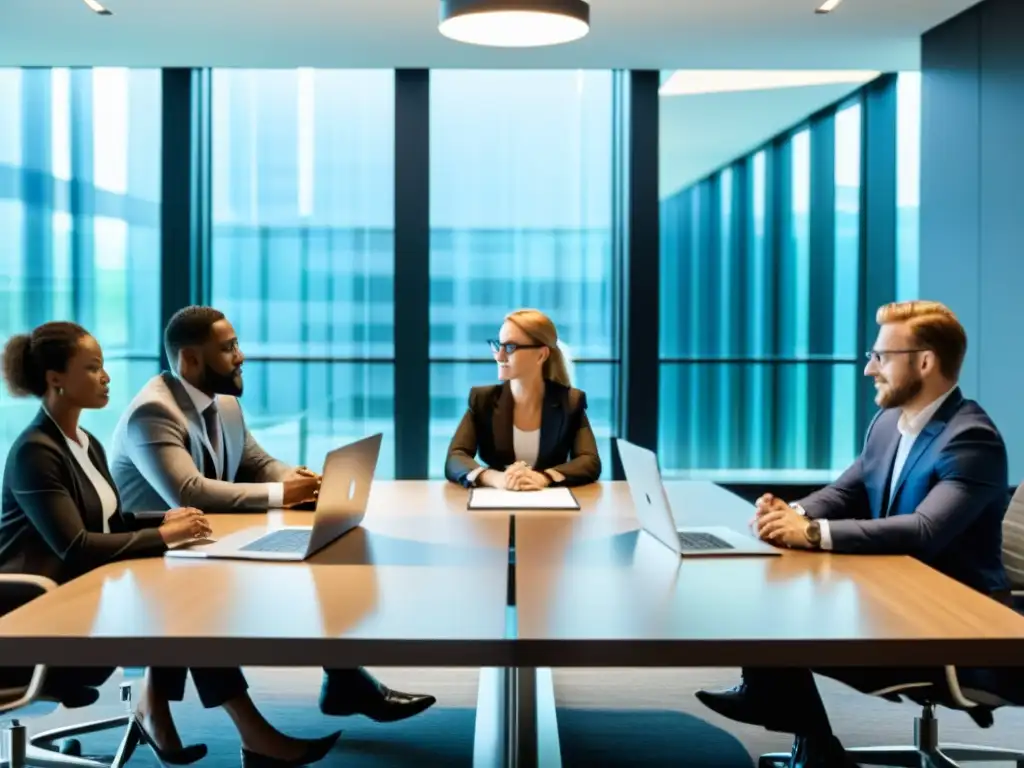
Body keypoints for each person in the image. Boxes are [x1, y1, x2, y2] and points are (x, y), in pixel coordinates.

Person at [0, 322, 339, 768]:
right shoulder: (36, 452)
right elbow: (77, 546)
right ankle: (249, 735)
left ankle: (199, 722)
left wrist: (167, 519)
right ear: (55, 379)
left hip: (81, 597)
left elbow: (111, 520)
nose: (106, 377)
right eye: (93, 368)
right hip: (34, 620)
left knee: (186, 601)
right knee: (185, 610)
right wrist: (162, 536)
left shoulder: (84, 442)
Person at [695, 301, 1011, 768]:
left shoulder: (969, 439)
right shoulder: (889, 423)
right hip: (895, 595)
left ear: (924, 362)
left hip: (952, 622)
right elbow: (847, 489)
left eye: (881, 356)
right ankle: (808, 738)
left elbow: (924, 531)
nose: (869, 369)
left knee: (790, 619)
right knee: (771, 591)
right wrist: (791, 513)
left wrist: (813, 532)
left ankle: (797, 728)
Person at [108, 306, 435, 724]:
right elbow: (189, 491)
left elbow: (257, 462)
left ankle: (342, 678)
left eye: (237, 345)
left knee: (315, 557)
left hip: (201, 545)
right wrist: (282, 494)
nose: (240, 356)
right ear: (190, 359)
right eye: (228, 348)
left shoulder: (223, 405)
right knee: (231, 591)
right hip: (149, 558)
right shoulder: (153, 413)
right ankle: (274, 719)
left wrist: (297, 478)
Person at [445, 308, 601, 489]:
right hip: (495, 503)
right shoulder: (483, 399)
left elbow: (589, 461)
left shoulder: (570, 402)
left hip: (549, 504)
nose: (499, 355)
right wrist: (494, 478)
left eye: (510, 347)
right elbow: (455, 458)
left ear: (541, 355)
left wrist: (545, 477)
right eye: (498, 345)